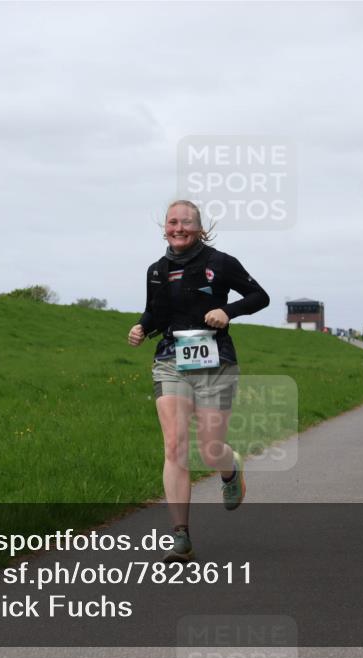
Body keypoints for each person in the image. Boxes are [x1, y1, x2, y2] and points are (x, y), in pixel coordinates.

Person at [128, 200, 270, 563]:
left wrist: (228, 311)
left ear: (200, 228)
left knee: (210, 448)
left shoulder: (220, 263)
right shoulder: (157, 270)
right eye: (173, 222)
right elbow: (157, 310)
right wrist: (143, 326)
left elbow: (259, 296)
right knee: (174, 444)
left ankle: (229, 469)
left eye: (186, 223)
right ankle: (181, 536)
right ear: (165, 227)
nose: (179, 228)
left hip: (215, 362)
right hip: (170, 361)